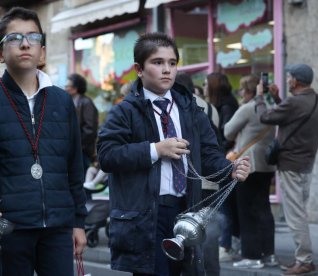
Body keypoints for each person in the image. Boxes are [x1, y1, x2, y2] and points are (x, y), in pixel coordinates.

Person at [97, 32, 251, 276]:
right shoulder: (124, 111)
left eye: (172, 63)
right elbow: (107, 155)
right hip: (146, 214)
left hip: (186, 209)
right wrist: (155, 150)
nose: (166, 70)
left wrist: (229, 169)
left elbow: (209, 153)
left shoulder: (190, 108)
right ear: (139, 69)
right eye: (157, 63)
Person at [0, 7, 87, 276]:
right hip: (10, 224)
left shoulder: (62, 102)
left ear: (42, 51)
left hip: (59, 226)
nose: (26, 43)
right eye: (15, 38)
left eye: (34, 37)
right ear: (0, 54)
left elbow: (74, 166)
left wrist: (78, 222)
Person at [255, 64, 318, 275]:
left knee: (295, 216)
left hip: (291, 165)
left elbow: (265, 117)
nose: (287, 80)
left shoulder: (295, 102)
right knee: (300, 211)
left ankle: (304, 260)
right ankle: (304, 258)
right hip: (307, 164)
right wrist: (278, 99)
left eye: (289, 77)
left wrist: (260, 97)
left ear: (296, 81)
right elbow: (291, 116)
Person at [224, 74, 277, 269]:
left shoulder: (247, 109)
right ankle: (269, 254)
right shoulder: (269, 108)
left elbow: (227, 131)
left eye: (241, 90)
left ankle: (251, 256)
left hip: (249, 164)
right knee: (263, 209)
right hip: (267, 164)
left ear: (248, 91)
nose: (239, 93)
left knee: (247, 211)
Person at [175, 71, 221, 276]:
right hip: (211, 179)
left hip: (189, 178)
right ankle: (209, 270)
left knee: (184, 230)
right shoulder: (210, 108)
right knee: (206, 231)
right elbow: (216, 140)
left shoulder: (178, 107)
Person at [204, 72, 239, 262]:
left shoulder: (226, 106)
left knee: (224, 204)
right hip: (223, 159)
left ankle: (226, 245)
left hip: (225, 160)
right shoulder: (223, 105)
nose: (204, 87)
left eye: (206, 84)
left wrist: (217, 156)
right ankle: (227, 243)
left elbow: (227, 135)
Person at [65, 73, 99, 173]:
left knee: (83, 178)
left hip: (83, 151)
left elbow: (90, 129)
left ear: (75, 88)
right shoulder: (71, 101)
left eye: (67, 86)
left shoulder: (86, 102)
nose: (65, 88)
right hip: (74, 149)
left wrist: (78, 146)